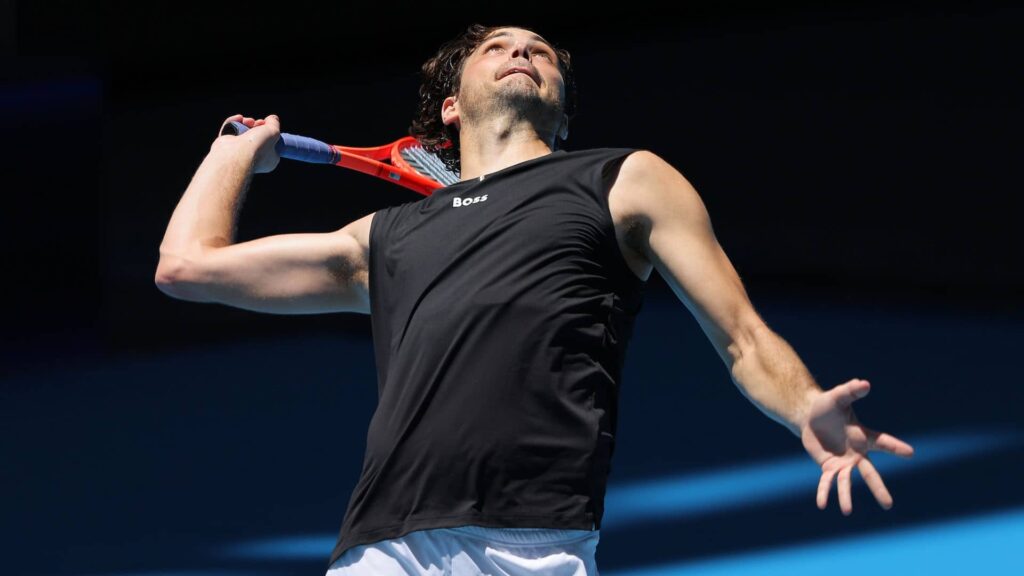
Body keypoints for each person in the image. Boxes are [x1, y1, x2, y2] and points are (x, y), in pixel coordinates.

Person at [155, 23, 916, 576]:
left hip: (535, 547)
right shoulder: (384, 238)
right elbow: (188, 266)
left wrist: (802, 402)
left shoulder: (624, 180)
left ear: (561, 107)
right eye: (496, 47)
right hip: (383, 549)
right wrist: (232, 155)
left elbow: (742, 335)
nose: (521, 52)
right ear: (451, 107)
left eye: (540, 52)